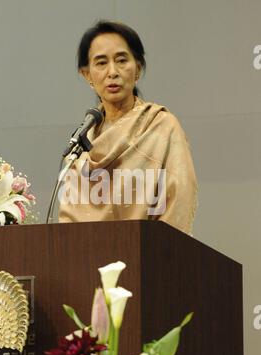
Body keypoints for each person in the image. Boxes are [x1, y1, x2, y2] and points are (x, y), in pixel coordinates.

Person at [59, 20, 198, 235]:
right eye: (101, 63)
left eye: (122, 60)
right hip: (87, 261)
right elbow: (69, 222)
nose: (112, 72)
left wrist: (162, 254)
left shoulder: (162, 127)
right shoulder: (80, 144)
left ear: (138, 69)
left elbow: (179, 200)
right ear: (87, 74)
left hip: (151, 258)